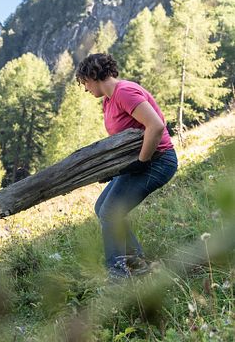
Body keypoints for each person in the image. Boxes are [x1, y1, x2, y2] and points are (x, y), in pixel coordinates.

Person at [76, 53, 178, 280]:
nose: (85, 88)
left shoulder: (124, 92)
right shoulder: (108, 100)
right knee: (101, 208)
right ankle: (137, 263)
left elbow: (156, 126)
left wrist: (142, 162)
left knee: (110, 213)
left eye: (85, 82)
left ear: (94, 75)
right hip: (137, 164)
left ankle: (118, 275)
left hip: (158, 161)